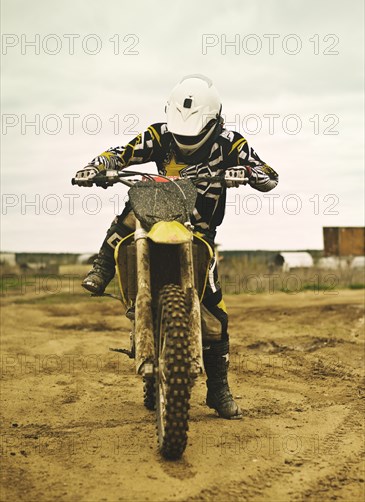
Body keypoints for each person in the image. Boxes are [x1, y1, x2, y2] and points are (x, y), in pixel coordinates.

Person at [74, 74, 279, 419]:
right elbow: (121, 154)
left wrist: (249, 173)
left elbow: (268, 173)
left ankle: (218, 389)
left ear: (214, 122)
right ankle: (103, 266)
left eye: (195, 134)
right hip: (155, 216)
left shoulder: (230, 142)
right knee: (127, 215)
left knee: (215, 313)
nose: (185, 140)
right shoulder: (159, 135)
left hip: (198, 230)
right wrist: (97, 167)